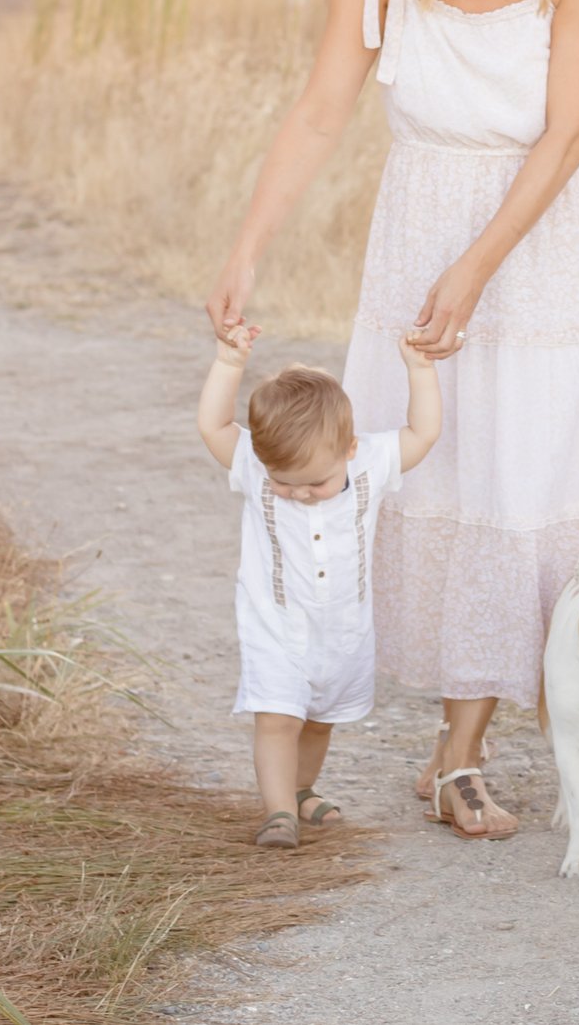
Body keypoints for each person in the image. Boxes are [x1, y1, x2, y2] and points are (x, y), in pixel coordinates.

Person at [205, 0, 579, 841]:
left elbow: (569, 132)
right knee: (427, 475)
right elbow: (319, 109)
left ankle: (459, 757)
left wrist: (477, 265)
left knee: (517, 483)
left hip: (535, 244)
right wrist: (249, 244)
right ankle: (396, 744)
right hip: (416, 226)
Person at [195, 326, 442, 845]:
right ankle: (278, 811)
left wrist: (420, 370)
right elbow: (214, 424)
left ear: (350, 448)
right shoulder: (256, 469)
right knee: (278, 718)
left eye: (315, 483)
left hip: (343, 631)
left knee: (320, 721)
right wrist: (228, 362)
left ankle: (302, 790)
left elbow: (422, 434)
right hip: (276, 625)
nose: (300, 494)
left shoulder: (372, 461)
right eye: (284, 483)